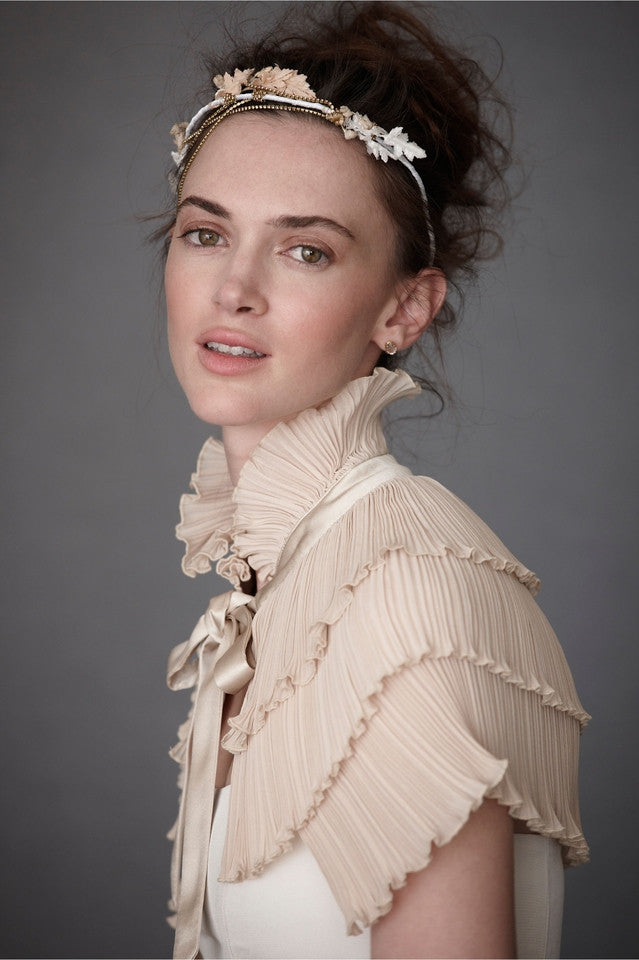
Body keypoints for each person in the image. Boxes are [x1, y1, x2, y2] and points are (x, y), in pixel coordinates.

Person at [161, 3, 589, 958]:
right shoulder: (289, 572)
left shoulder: (402, 590)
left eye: (305, 250)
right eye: (205, 233)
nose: (234, 289)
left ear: (404, 309)